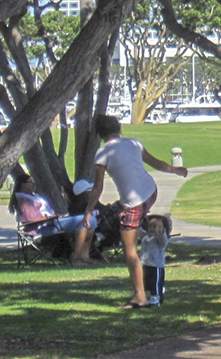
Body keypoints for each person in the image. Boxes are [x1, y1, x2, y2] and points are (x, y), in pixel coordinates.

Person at [81, 114, 187, 309]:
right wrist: (176, 170)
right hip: (151, 191)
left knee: (130, 251)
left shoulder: (102, 153)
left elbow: (97, 188)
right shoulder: (134, 143)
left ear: (100, 134)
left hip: (134, 203)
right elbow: (156, 163)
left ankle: (140, 296)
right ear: (118, 128)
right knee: (124, 215)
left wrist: (88, 211)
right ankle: (145, 232)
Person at [9, 173, 95, 262]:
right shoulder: (23, 200)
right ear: (22, 185)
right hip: (43, 228)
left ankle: (84, 255)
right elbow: (31, 219)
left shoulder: (33, 196)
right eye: (30, 181)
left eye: (33, 181)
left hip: (53, 223)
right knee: (86, 221)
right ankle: (77, 257)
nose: (33, 183)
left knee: (91, 221)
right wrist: (50, 217)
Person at [140, 214, 172, 306]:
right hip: (146, 263)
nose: (152, 229)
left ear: (161, 228)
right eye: (150, 226)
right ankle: (151, 294)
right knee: (147, 281)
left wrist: (161, 233)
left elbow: (163, 243)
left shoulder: (160, 238)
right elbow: (139, 233)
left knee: (156, 281)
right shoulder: (146, 236)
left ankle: (157, 297)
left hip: (156, 265)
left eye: (155, 227)